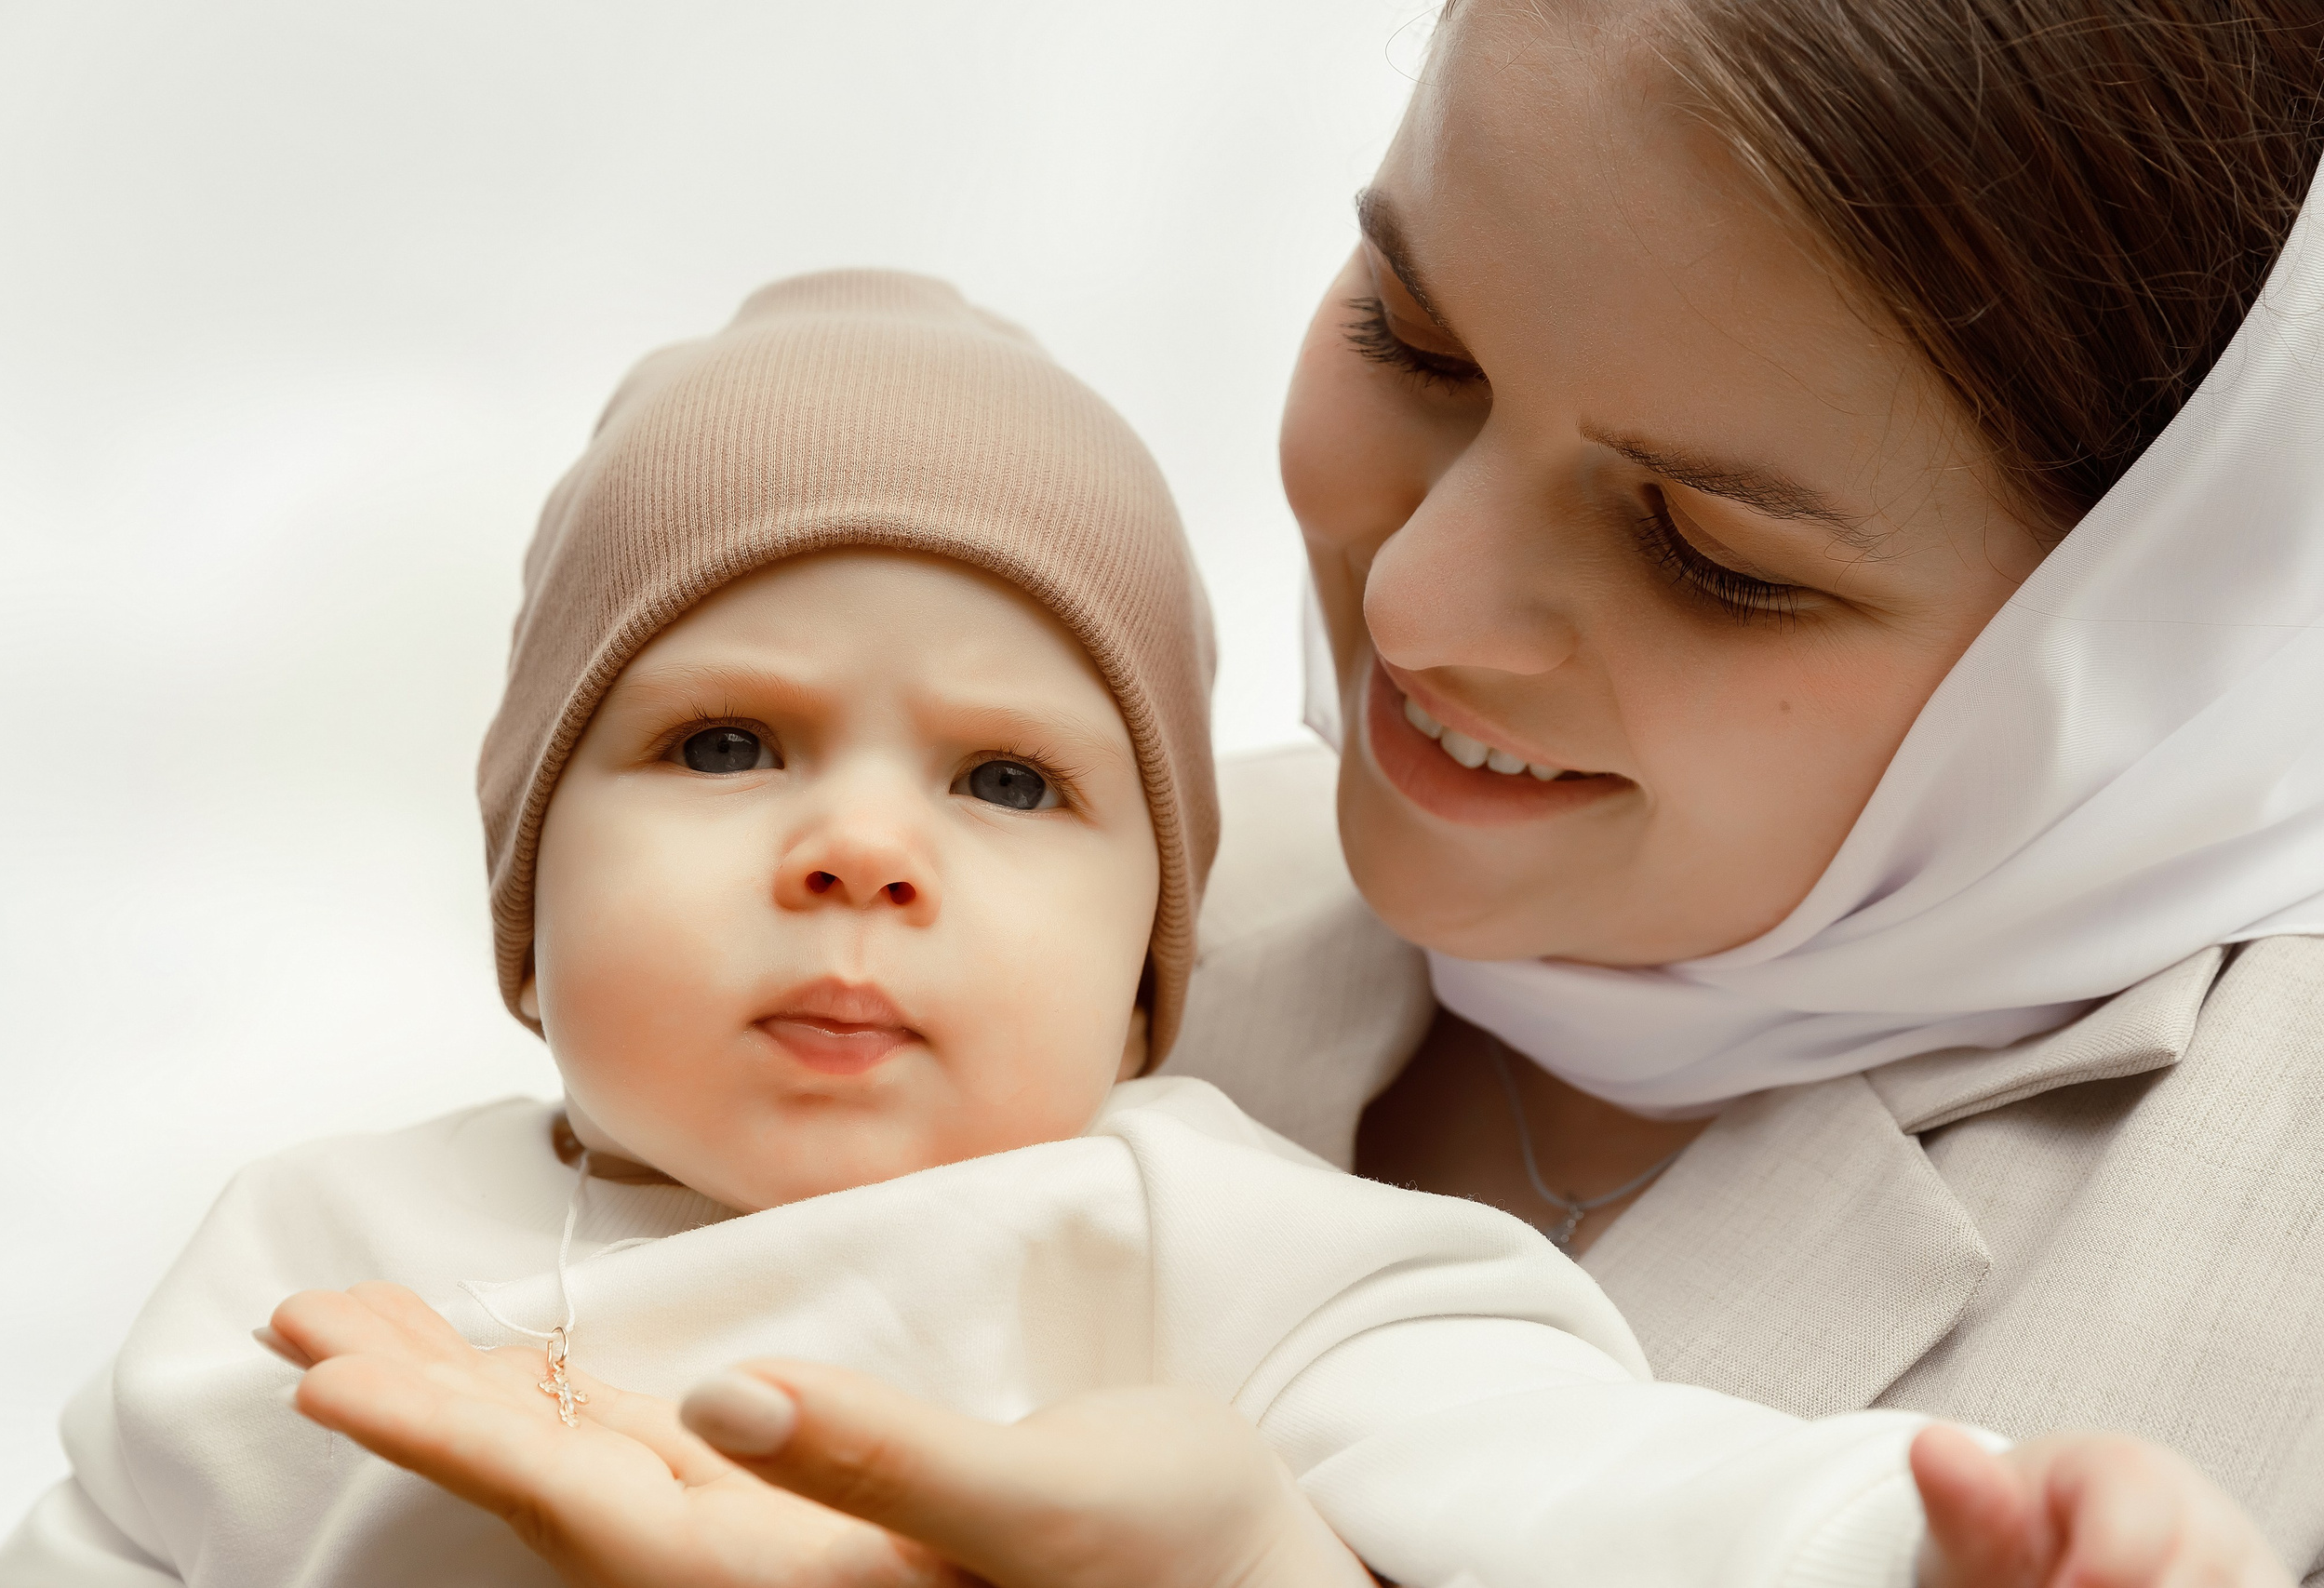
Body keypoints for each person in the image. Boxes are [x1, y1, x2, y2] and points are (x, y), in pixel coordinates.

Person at [242, 4, 2323, 1586]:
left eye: (1708, 545)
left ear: (2156, 619)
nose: (1408, 606)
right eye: (1411, 336)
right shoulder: (1073, 901)